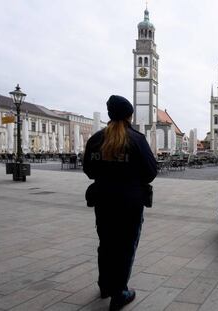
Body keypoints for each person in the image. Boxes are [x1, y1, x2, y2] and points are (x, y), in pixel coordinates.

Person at [83, 95, 157, 310]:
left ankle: (105, 285)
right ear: (129, 115)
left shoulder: (96, 139)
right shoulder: (137, 139)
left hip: (103, 200)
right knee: (125, 246)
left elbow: (88, 170)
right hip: (130, 202)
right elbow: (151, 171)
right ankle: (119, 293)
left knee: (106, 244)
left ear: (109, 114)